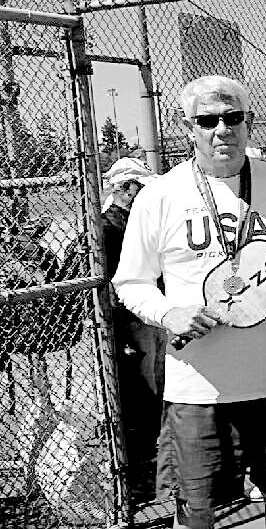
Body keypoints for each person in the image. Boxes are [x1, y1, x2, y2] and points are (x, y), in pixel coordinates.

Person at [113, 75, 266, 529]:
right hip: (197, 385)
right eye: (207, 120)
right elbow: (129, 282)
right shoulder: (159, 196)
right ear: (188, 129)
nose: (222, 129)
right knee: (194, 504)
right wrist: (169, 311)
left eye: (232, 118)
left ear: (247, 121)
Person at [102, 156, 164, 500]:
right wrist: (122, 333)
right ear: (125, 188)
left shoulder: (132, 222)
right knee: (138, 394)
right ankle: (135, 478)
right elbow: (113, 288)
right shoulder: (110, 227)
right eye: (138, 187)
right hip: (129, 322)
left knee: (151, 389)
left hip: (144, 319)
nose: (143, 194)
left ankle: (144, 473)